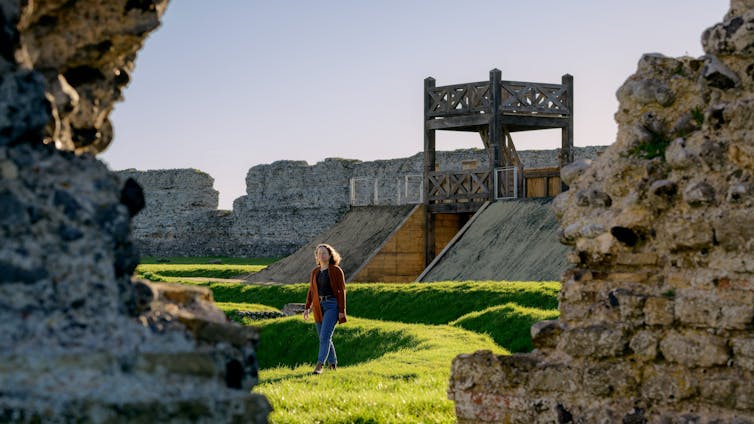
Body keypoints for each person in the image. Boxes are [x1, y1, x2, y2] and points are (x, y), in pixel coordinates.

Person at [303, 243, 347, 375]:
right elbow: (311, 291)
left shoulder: (336, 270)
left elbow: (342, 291)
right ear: (316, 256)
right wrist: (307, 308)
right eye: (319, 253)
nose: (321, 255)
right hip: (318, 306)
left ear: (330, 255)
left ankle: (319, 365)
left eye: (324, 253)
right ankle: (332, 364)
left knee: (324, 337)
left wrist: (341, 310)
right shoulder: (315, 272)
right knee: (325, 337)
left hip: (332, 305)